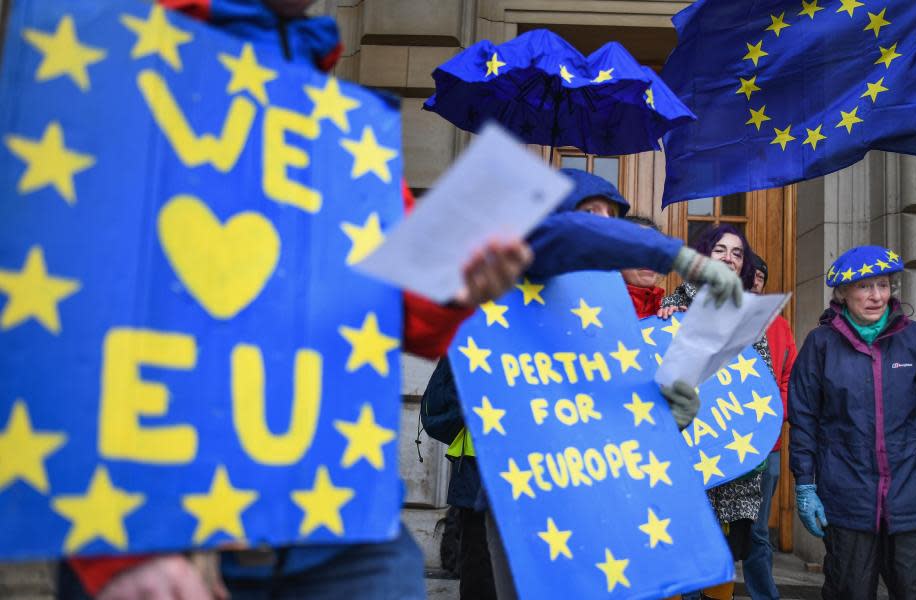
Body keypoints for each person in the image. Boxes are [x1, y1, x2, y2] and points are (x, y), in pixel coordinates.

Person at [63, 1, 535, 599]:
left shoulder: (339, 119)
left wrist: (460, 285)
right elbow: (51, 299)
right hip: (150, 518)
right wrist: (110, 544)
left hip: (341, 524)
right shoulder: (112, 58)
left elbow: (400, 308)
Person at [422, 173, 732, 599]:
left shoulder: (614, 323)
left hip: (588, 503)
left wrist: (667, 418)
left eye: (612, 218)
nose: (604, 227)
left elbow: (614, 423)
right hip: (502, 491)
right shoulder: (500, 292)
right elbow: (439, 409)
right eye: (590, 214)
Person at [789, 246, 916, 600]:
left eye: (883, 286)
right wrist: (805, 486)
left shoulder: (915, 340)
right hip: (848, 497)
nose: (876, 296)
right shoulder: (820, 345)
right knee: (849, 591)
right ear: (843, 293)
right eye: (864, 287)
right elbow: (804, 421)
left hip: (913, 494)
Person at [660, 225, 771, 600]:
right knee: (670, 548)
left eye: (737, 253)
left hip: (725, 454)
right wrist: (667, 324)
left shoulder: (751, 317)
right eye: (720, 250)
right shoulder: (670, 307)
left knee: (718, 555)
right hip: (675, 456)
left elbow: (762, 386)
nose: (728, 257)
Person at [741, 254, 796, 600]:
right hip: (714, 443)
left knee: (758, 532)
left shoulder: (778, 325)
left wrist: (775, 415)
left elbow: (790, 379)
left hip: (766, 445)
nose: (755, 280)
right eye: (749, 273)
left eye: (761, 276)